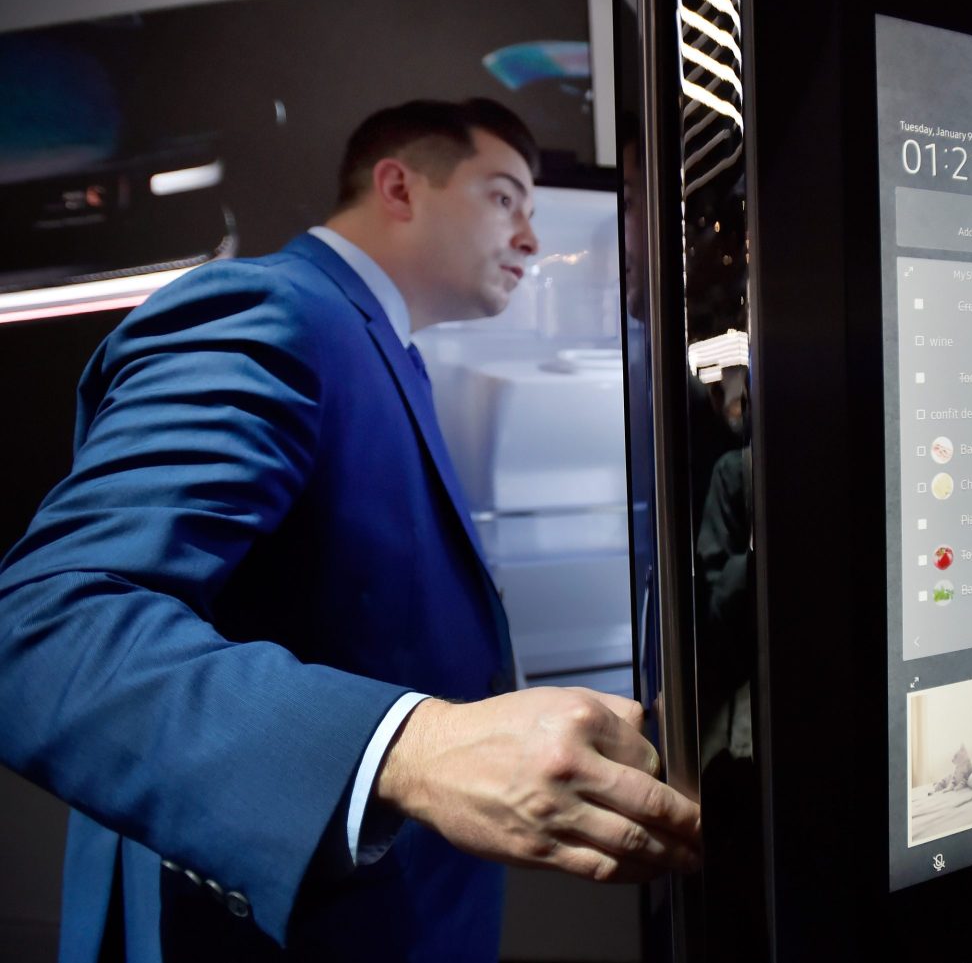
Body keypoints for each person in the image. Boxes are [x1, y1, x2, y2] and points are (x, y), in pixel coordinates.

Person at [0, 99, 701, 963]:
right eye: (504, 197)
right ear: (399, 185)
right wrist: (414, 747)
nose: (530, 237)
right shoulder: (269, 311)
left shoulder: (382, 346)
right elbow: (46, 628)